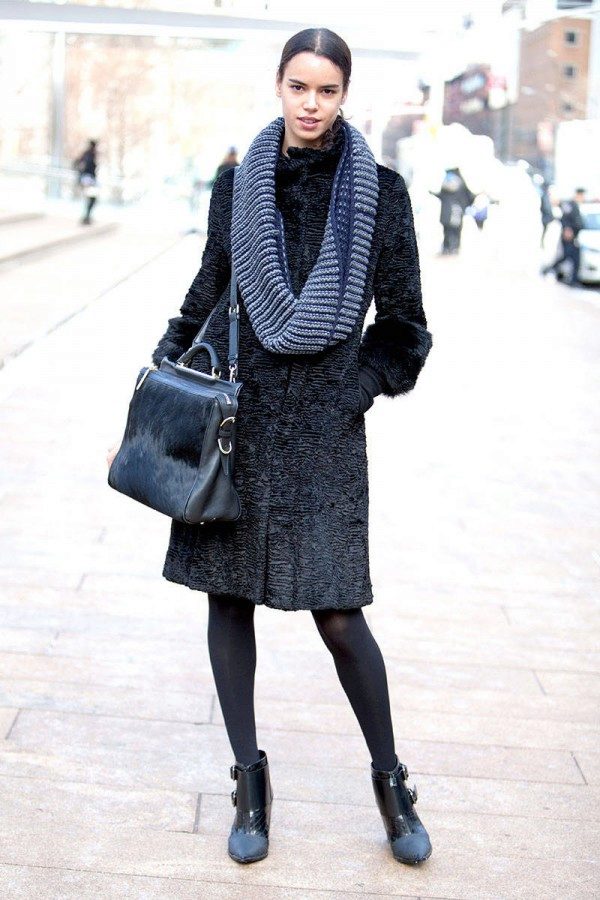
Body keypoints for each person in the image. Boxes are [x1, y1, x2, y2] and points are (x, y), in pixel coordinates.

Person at [107, 28, 433, 867]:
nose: (310, 104)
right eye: (298, 86)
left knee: (339, 615)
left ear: (345, 94)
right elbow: (209, 289)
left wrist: (352, 391)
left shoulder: (381, 195)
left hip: (325, 435)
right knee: (227, 601)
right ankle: (249, 784)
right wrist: (162, 380)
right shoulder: (237, 186)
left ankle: (392, 784)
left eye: (326, 90)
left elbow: (404, 328)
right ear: (278, 85)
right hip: (238, 427)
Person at [542, 188, 585, 286]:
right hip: (569, 237)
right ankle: (549, 269)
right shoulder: (569, 204)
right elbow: (564, 218)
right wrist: (567, 229)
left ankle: (573, 280)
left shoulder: (575, 205)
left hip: (574, 236)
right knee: (567, 257)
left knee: (574, 259)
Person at [430, 167, 475, 254]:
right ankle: (454, 248)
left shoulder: (446, 185)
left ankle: (447, 247)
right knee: (455, 231)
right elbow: (469, 196)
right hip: (457, 211)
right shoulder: (461, 184)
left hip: (448, 212)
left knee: (448, 230)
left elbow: (441, 195)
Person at [73, 139, 98, 225]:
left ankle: (86, 217)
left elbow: (77, 162)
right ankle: (86, 217)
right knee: (91, 198)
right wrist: (82, 173)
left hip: (87, 178)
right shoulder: (89, 154)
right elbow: (82, 164)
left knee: (91, 198)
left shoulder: (88, 154)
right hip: (88, 179)